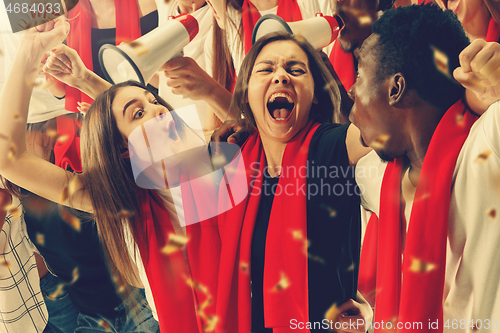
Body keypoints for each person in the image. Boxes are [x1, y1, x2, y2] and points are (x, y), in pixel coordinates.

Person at [0, 18, 218, 333]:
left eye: (155, 102)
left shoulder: (203, 172)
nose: (158, 110)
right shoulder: (127, 199)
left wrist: (85, 79)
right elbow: (10, 159)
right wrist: (30, 53)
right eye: (141, 112)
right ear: (123, 151)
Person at [349, 4, 500, 331]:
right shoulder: (373, 174)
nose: (351, 90)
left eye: (359, 75)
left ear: (395, 89)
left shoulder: (487, 146)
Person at [213, 31, 372, 332]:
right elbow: (149, 178)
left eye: (296, 70)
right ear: (246, 94)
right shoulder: (232, 162)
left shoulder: (331, 146)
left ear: (314, 96)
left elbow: (387, 130)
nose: (281, 76)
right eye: (266, 69)